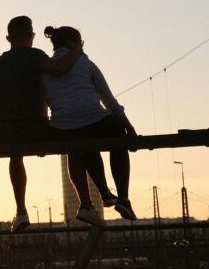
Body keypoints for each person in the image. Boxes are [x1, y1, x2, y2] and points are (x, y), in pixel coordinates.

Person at [0, 16, 79, 233]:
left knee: (14, 155)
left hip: (2, 132)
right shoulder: (35, 56)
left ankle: (21, 210)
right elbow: (60, 69)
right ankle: (86, 203)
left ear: (8, 38)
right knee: (74, 139)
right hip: (35, 130)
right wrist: (75, 51)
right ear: (32, 36)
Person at [41, 25, 137, 226]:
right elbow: (110, 102)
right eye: (80, 42)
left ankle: (102, 194)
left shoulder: (45, 69)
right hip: (93, 122)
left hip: (61, 129)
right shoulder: (86, 64)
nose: (82, 46)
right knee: (117, 139)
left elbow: (47, 101)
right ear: (72, 43)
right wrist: (130, 128)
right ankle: (123, 198)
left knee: (78, 147)